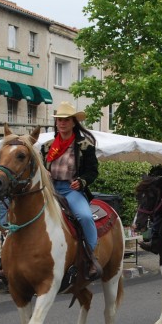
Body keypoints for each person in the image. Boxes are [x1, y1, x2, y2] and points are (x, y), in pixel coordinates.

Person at [40, 101, 101, 281]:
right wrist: (44, 174)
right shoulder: (47, 146)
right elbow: (40, 168)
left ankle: (90, 257)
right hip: (50, 190)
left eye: (66, 120)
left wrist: (81, 182)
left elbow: (92, 171)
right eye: (59, 120)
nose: (62, 123)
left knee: (85, 217)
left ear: (74, 122)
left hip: (70, 191)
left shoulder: (85, 145)